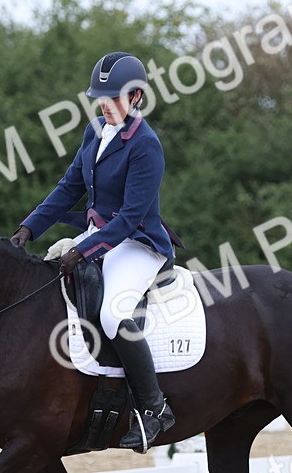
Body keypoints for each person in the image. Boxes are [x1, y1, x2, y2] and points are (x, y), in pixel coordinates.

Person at [11, 51, 177, 449]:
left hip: (136, 243)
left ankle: (155, 409)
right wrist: (29, 227)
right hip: (96, 237)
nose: (106, 104)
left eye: (115, 97)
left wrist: (83, 251)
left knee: (113, 313)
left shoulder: (146, 146)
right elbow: (69, 187)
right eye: (101, 97)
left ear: (136, 96)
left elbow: (128, 218)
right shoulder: (95, 131)